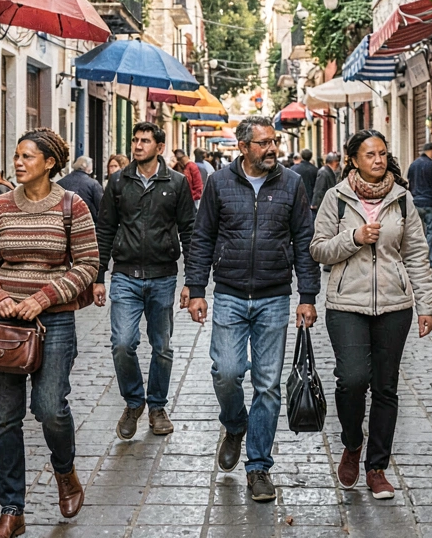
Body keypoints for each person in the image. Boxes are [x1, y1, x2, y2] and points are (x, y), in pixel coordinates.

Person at [185, 115, 320, 503]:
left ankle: (258, 466)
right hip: (229, 293)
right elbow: (203, 236)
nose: (272, 148)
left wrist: (307, 296)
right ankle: (234, 424)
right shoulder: (219, 182)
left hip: (274, 296)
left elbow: (304, 240)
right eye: (263, 143)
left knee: (267, 385)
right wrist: (197, 289)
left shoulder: (291, 183)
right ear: (243, 147)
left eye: (274, 141)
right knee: (226, 371)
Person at [0, 128, 99, 538]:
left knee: (49, 408)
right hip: (4, 324)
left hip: (54, 321)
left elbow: (88, 264)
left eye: (27, 156)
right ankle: (12, 511)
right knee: (5, 418)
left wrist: (43, 298)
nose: (18, 162)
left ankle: (65, 471)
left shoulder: (72, 206)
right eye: (16, 155)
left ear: (49, 163)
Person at [310, 129, 432, 499]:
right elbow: (318, 249)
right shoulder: (336, 198)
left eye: (382, 153)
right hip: (346, 304)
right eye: (370, 154)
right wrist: (354, 238)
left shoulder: (402, 199)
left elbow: (416, 254)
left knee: (385, 386)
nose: (378, 160)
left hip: (395, 306)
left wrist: (427, 304)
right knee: (351, 379)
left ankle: (376, 467)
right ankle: (352, 443)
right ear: (353, 160)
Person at [94, 122, 195, 440]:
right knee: (122, 343)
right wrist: (98, 276)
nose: (137, 146)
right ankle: (134, 402)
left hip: (163, 276)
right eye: (135, 140)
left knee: (161, 346)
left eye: (145, 141)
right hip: (125, 275)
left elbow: (189, 231)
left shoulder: (176, 183)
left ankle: (157, 407)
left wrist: (193, 282)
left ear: (159, 147)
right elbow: (105, 229)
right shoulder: (118, 182)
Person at [406, 142, 432, 273]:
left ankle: (418, 261)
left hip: (417, 204)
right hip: (431, 204)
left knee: (418, 235)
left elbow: (409, 184)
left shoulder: (413, 165)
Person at [58, 156, 104, 225]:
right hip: (87, 222)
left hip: (64, 222)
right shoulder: (93, 184)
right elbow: (101, 206)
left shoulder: (61, 182)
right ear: (88, 168)